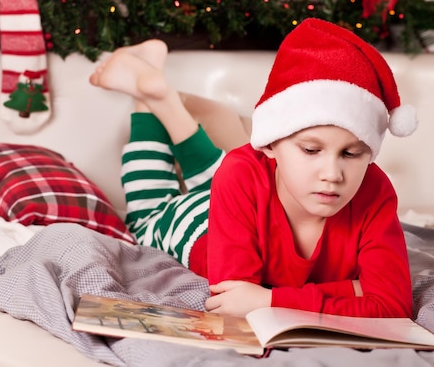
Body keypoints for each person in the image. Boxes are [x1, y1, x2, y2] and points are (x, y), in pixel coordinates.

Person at [89, 18, 417, 320]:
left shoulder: (375, 189)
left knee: (221, 173)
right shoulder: (241, 174)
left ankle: (157, 95)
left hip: (241, 196)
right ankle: (151, 100)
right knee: (147, 216)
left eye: (352, 153)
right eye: (311, 150)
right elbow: (235, 297)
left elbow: (392, 305)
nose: (332, 174)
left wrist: (270, 300)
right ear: (270, 143)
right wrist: (352, 290)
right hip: (192, 222)